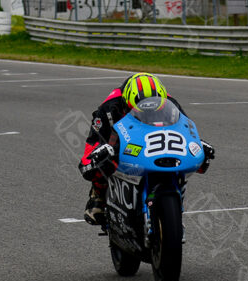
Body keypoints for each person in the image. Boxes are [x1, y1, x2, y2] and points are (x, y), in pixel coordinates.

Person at [78, 72, 214, 226]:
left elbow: (185, 130)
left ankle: (175, 205)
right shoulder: (109, 108)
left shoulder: (170, 103)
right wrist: (97, 156)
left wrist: (200, 145)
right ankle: (98, 195)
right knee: (100, 161)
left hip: (155, 139)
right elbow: (92, 145)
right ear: (126, 103)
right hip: (119, 138)